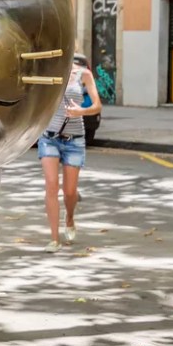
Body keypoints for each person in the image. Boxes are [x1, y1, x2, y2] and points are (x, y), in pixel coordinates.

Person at [38, 53, 102, 253]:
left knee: (70, 192)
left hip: (74, 140)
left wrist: (80, 112)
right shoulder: (48, 75)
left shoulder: (83, 75)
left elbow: (97, 106)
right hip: (49, 137)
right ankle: (54, 239)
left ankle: (70, 217)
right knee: (51, 185)